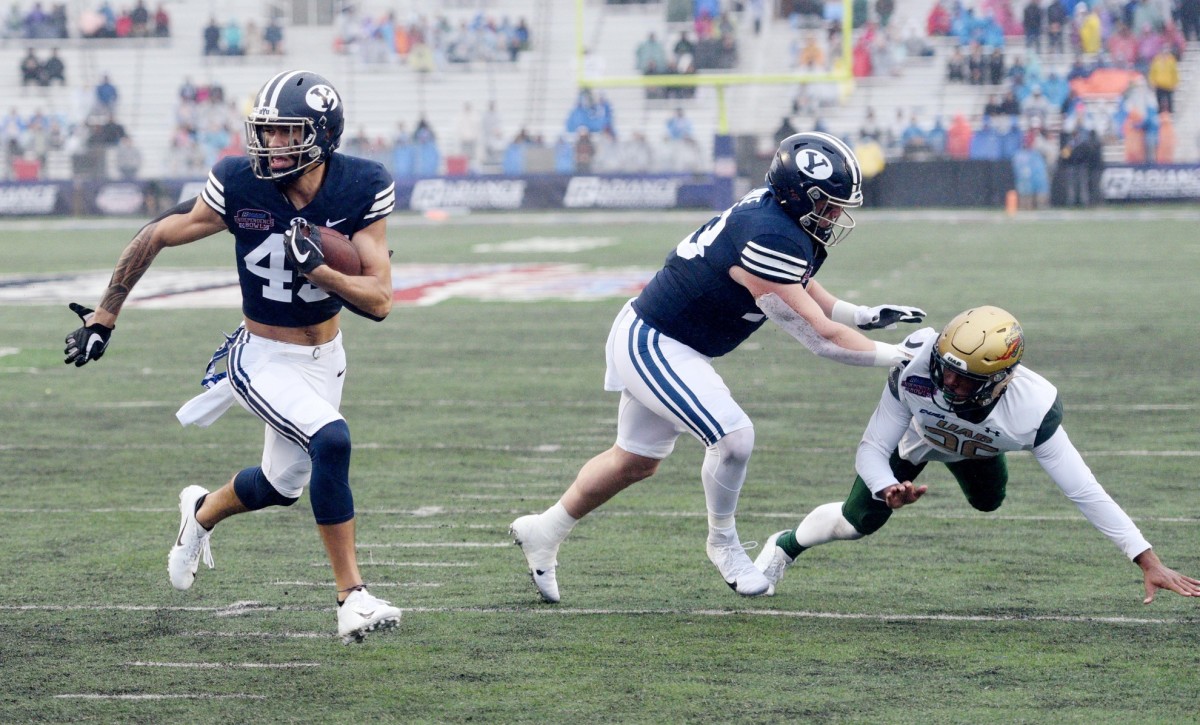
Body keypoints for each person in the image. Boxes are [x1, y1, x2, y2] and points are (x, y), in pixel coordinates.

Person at [509, 132, 926, 603]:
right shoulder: (769, 235)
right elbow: (819, 337)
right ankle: (723, 543)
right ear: (796, 195)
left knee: (635, 461)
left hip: (674, 341)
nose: (835, 215)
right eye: (828, 204)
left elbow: (802, 284)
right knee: (733, 438)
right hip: (655, 341)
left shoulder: (777, 217)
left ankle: (545, 530)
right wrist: (896, 355)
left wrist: (863, 315)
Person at [62, 70, 401, 644]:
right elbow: (158, 233)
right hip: (261, 355)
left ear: (321, 136)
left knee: (280, 485)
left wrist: (317, 267)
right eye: (265, 133)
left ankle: (199, 514)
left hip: (327, 355)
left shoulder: (361, 186)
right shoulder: (239, 182)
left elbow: (381, 300)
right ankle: (352, 597)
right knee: (332, 441)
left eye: (285, 134)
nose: (270, 146)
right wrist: (105, 314)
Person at [753, 306, 1200, 604]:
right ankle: (785, 546)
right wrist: (886, 485)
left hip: (978, 448)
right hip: (919, 442)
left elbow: (1084, 490)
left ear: (1001, 379)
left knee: (989, 502)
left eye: (965, 382)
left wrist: (1147, 558)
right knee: (857, 523)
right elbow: (872, 447)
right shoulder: (914, 368)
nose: (949, 386)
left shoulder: (1031, 409)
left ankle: (974, 461)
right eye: (945, 372)